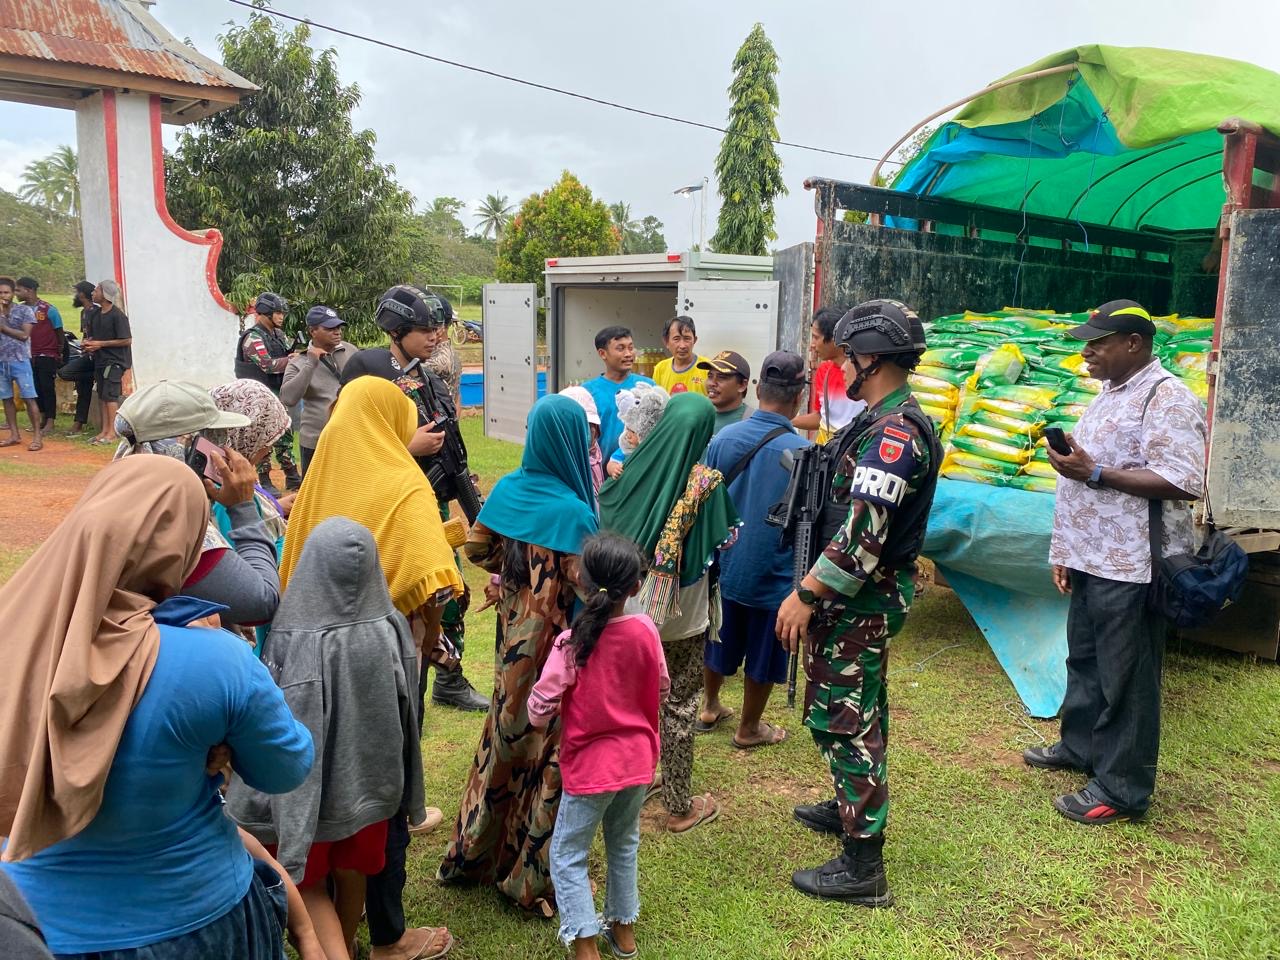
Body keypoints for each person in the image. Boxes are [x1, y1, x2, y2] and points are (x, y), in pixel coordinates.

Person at [0, 456, 314, 959]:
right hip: (192, 917)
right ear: (186, 543)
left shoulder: (11, 635)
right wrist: (224, 740)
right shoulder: (211, 661)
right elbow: (287, 766)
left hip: (31, 923)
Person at [280, 375, 462, 960]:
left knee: (324, 772)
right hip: (383, 645)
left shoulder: (322, 473)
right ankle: (388, 935)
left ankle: (331, 913)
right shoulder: (404, 484)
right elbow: (427, 582)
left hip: (305, 645)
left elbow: (297, 553)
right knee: (382, 773)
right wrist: (431, 638)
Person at [776, 299, 942, 907]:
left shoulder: (894, 432)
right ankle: (850, 803)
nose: (841, 364)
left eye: (848, 354)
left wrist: (805, 594)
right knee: (861, 705)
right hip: (863, 597)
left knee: (842, 716)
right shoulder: (880, 417)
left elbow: (863, 535)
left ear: (870, 357)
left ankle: (863, 866)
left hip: (858, 596)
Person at [1034, 299, 1206, 824]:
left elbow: (1183, 481)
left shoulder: (1167, 398)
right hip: (1092, 556)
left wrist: (1096, 472)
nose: (1087, 351)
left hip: (1133, 563)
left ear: (1134, 343)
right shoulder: (1108, 395)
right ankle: (1080, 748)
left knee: (1126, 676)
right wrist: (1066, 549)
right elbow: (1084, 479)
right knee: (1084, 661)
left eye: (1098, 342)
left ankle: (1122, 788)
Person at [229, 517, 432, 960]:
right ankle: (349, 943)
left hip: (314, 798)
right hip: (373, 790)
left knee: (311, 887)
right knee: (353, 869)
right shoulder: (392, 626)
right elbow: (409, 718)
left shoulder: (294, 638)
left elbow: (282, 727)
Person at [439, 394, 598, 916]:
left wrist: (509, 582)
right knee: (547, 750)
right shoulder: (576, 513)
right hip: (558, 655)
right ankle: (525, 874)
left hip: (511, 649)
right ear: (573, 440)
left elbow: (477, 547)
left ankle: (475, 851)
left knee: (504, 740)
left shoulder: (507, 489)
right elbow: (590, 591)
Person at [342, 284, 489, 713]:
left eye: (437, 328)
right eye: (424, 329)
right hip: (385, 503)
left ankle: (449, 676)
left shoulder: (427, 376)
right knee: (400, 597)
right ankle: (399, 684)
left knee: (447, 590)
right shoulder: (367, 367)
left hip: (430, 502)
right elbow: (352, 437)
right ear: (397, 329)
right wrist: (408, 447)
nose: (436, 336)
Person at [598, 392, 740, 834]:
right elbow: (723, 543)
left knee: (631, 703)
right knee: (679, 704)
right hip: (683, 616)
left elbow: (608, 512)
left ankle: (628, 784)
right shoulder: (707, 484)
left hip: (629, 611)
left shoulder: (630, 471)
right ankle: (680, 805)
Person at [530, 532, 668, 960]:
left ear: (582, 582)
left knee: (568, 852)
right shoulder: (646, 630)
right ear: (635, 586)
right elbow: (661, 687)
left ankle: (585, 947)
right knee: (623, 841)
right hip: (637, 761)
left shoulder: (571, 645)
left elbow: (539, 707)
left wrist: (547, 716)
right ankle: (623, 936)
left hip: (592, 769)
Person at [700, 351, 810, 748]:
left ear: (758, 389)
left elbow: (704, 501)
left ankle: (709, 705)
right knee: (764, 650)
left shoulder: (722, 439)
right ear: (798, 398)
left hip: (725, 565)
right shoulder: (804, 454)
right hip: (773, 572)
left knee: (717, 636)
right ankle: (749, 728)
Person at [112, 380, 283, 633]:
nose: (223, 447)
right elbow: (260, 602)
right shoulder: (177, 527)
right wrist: (243, 508)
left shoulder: (120, 488)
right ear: (189, 448)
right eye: (214, 438)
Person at [234, 292, 301, 492]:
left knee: (285, 431)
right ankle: (264, 479)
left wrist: (296, 355)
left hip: (276, 391)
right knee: (262, 435)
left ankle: (291, 474)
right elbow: (266, 365)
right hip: (258, 395)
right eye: (277, 313)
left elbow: (287, 353)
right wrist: (291, 360)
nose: (281, 317)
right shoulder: (252, 338)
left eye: (282, 313)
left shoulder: (278, 335)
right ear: (264, 314)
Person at [280, 305, 354, 476]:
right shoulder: (299, 362)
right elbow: (288, 398)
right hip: (316, 441)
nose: (337, 332)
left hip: (350, 437)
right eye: (330, 328)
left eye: (338, 327)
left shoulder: (350, 351)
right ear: (313, 331)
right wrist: (311, 364)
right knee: (314, 498)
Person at [582, 325, 655, 460]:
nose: (628, 354)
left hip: (640, 469)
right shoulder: (587, 392)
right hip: (602, 475)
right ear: (603, 353)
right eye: (620, 349)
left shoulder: (647, 386)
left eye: (631, 347)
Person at [792, 306, 864, 442]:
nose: (811, 345)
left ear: (834, 338)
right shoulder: (824, 371)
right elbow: (822, 418)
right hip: (827, 450)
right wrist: (787, 421)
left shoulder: (865, 375)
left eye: (815, 337)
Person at [83, 279, 131, 446]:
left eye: (96, 290)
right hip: (101, 360)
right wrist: (89, 344)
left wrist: (100, 344)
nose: (93, 292)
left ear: (105, 295)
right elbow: (95, 338)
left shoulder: (118, 316)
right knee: (103, 396)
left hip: (115, 362)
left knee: (110, 396)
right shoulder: (96, 314)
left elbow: (127, 340)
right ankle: (104, 431)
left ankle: (112, 433)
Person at [14, 277, 62, 433]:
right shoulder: (19, 310)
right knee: (35, 388)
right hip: (27, 355)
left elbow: (59, 332)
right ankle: (41, 418)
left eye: (18, 290)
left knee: (47, 387)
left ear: (29, 291)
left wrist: (59, 352)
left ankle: (50, 421)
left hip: (47, 354)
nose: (16, 294)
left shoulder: (49, 309)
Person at [0, 277, 40, 451]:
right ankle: (14, 434)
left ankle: (37, 436)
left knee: (29, 398)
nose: (3, 295)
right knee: (7, 399)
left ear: (13, 293)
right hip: (1, 361)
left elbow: (24, 335)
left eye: (6, 292)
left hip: (20, 360)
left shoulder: (24, 311)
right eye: (0, 293)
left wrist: (3, 327)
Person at [605, 381, 668, 479]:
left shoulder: (657, 450)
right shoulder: (627, 450)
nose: (628, 435)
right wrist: (614, 468)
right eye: (627, 429)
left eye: (633, 432)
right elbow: (611, 463)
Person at [59, 281, 98, 436]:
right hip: (86, 353)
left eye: (77, 292)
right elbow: (86, 333)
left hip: (94, 355)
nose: (75, 295)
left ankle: (95, 374)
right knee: (83, 390)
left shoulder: (96, 312)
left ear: (83, 294)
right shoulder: (84, 312)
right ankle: (78, 425)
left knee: (64, 373)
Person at [558, 385, 605, 493]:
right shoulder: (562, 461)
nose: (585, 432)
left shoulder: (594, 451)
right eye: (577, 425)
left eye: (589, 425)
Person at [698, 350, 753, 434]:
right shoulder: (698, 416)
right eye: (710, 376)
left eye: (721, 377)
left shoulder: (751, 423)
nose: (712, 383)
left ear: (742, 385)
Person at [651, 315, 707, 396]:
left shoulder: (707, 368)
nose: (682, 346)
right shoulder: (660, 369)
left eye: (687, 338)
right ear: (666, 342)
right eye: (676, 339)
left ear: (694, 340)